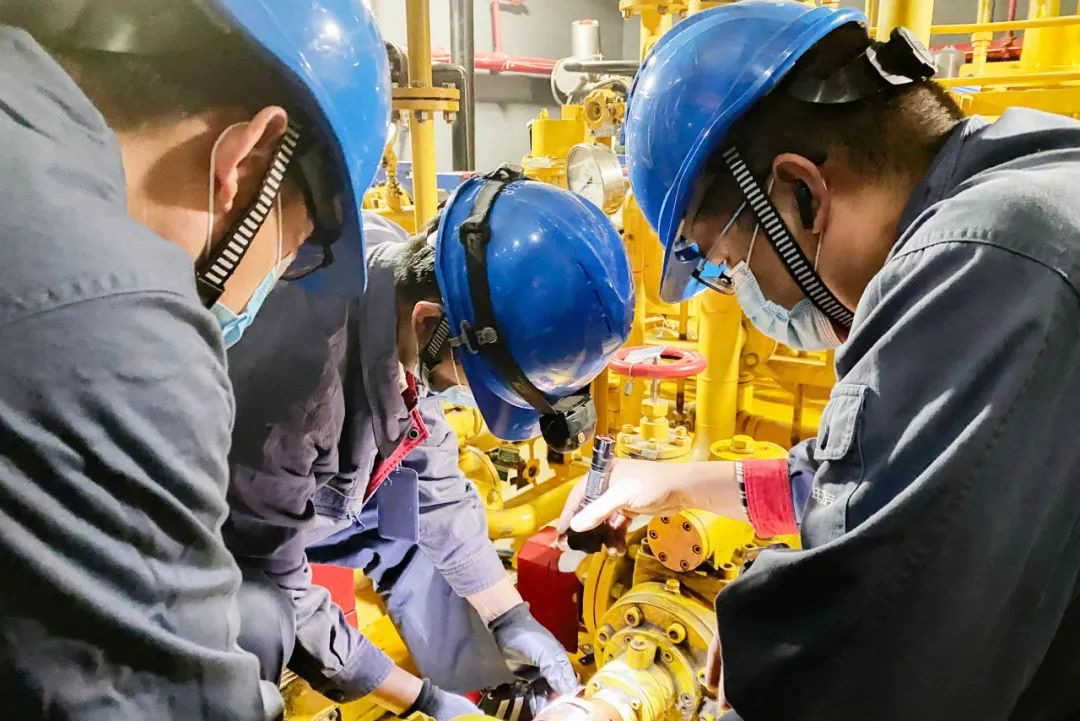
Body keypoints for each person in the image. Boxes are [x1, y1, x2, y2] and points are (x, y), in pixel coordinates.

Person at [559, 3, 1080, 720]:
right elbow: (860, 478)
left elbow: (864, 668)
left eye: (730, 263)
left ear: (802, 193)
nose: (747, 293)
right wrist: (676, 485)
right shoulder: (1025, 178)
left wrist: (781, 635)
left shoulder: (981, 260)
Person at [0, 0, 389, 717]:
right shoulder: (124, 321)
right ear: (252, 158)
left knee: (257, 618)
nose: (272, 283)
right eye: (295, 251)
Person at [225, 165, 635, 720]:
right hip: (210, 535)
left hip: (295, 485)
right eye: (470, 380)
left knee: (415, 534)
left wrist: (509, 616)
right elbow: (277, 581)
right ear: (428, 323)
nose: (460, 395)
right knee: (258, 618)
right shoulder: (296, 385)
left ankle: (492, 691)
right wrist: (421, 699)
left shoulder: (404, 280)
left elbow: (427, 472)